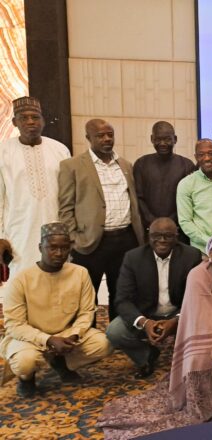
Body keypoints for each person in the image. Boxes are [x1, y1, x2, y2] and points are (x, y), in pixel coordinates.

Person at [98, 231, 212, 439]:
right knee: (200, 359)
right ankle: (201, 404)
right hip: (206, 333)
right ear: (210, 253)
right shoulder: (198, 275)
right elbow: (202, 322)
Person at [0, 222, 112, 397]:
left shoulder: (80, 273)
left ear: (70, 249)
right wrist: (48, 340)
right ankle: (26, 378)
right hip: (30, 338)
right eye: (52, 248)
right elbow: (15, 325)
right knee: (25, 362)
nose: (59, 253)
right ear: (40, 248)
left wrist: (73, 335)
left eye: (64, 248)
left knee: (104, 344)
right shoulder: (21, 280)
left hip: (66, 334)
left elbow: (86, 312)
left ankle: (61, 363)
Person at [58, 119, 144, 320]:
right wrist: (74, 239)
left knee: (121, 294)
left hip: (125, 240)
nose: (106, 139)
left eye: (110, 135)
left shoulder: (125, 165)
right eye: (100, 136)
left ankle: (116, 333)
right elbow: (65, 207)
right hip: (90, 242)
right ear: (88, 138)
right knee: (87, 296)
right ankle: (87, 333)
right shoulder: (72, 166)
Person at [106, 217, 202, 378]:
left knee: (204, 322)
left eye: (168, 236)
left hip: (179, 313)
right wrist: (145, 323)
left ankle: (191, 362)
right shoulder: (133, 258)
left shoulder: (191, 256)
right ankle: (146, 356)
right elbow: (122, 300)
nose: (162, 240)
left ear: (176, 236)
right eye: (156, 235)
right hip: (147, 314)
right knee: (114, 331)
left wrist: (176, 320)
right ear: (148, 236)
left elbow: (197, 297)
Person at [0, 97, 70, 280]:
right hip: (19, 232)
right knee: (23, 279)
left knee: (57, 279)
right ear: (14, 122)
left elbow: (69, 195)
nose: (30, 122)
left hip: (56, 228)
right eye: (23, 118)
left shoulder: (60, 150)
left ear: (43, 120)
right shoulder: (3, 152)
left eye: (35, 117)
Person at [133, 121, 196, 235]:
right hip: (149, 229)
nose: (162, 143)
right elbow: (138, 197)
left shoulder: (187, 165)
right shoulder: (141, 164)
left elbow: (189, 199)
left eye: (167, 139)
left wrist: (170, 222)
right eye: (158, 139)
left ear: (175, 139)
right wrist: (153, 222)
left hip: (179, 228)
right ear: (152, 139)